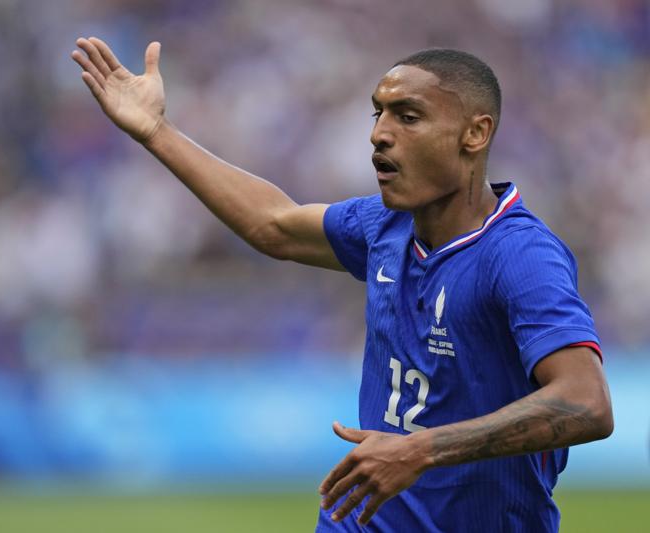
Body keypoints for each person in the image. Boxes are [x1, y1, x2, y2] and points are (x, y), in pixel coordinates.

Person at [71, 37, 613, 532]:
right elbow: (273, 225)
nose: (379, 134)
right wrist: (156, 131)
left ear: (475, 133)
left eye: (408, 116)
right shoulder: (385, 225)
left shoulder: (520, 255)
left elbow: (587, 403)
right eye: (379, 113)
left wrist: (421, 450)